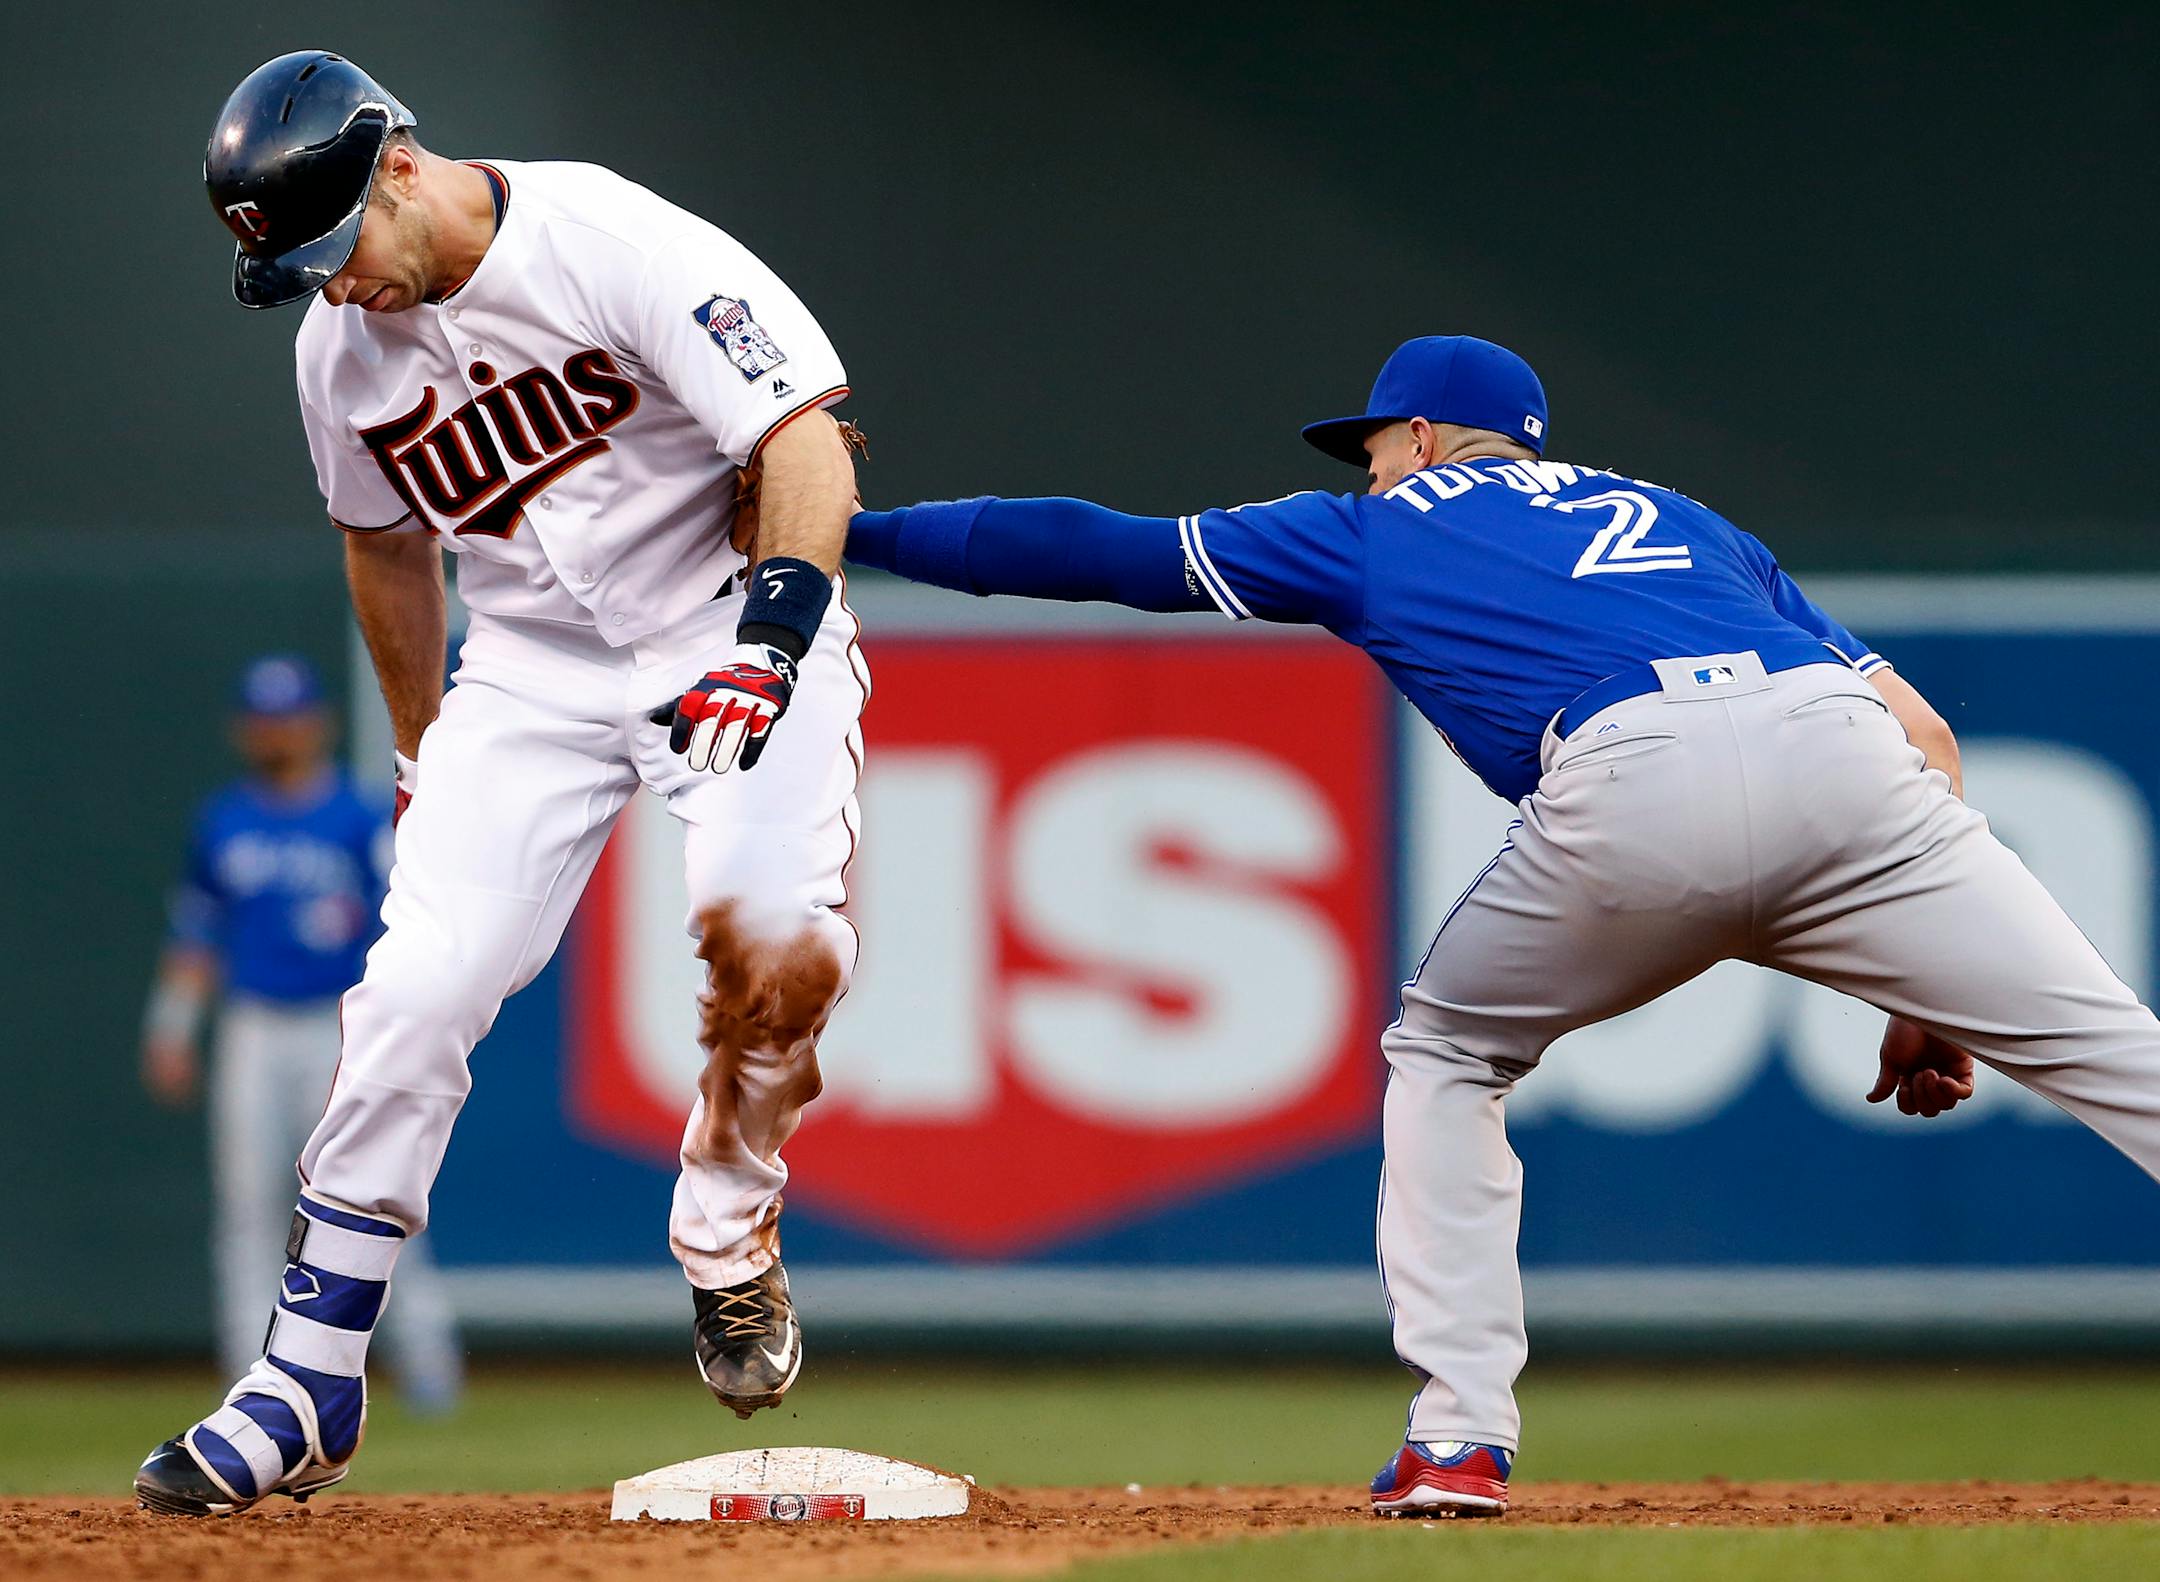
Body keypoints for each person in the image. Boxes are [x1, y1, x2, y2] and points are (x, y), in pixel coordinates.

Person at [846, 333, 2160, 1517]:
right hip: (1847, 759)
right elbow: (1924, 733)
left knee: (1447, 1057)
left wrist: (858, 533)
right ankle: (1455, 1435)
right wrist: (1919, 980)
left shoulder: (1380, 523)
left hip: (1633, 770)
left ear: (1416, 438)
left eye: (1369, 444)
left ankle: (1458, 1440)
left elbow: (1098, 550)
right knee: (2123, 1058)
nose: (1365, 469)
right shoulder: (1687, 520)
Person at [138, 51, 867, 1516]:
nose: (339, 288)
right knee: (414, 987)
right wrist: (421, 751)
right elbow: (385, 542)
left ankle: (727, 1239)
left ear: (396, 164)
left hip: (723, 620)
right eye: (307, 271)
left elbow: (802, 434)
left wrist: (777, 634)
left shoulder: (605, 239)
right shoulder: (337, 353)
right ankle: (303, 1379)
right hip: (527, 672)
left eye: (340, 250)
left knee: (777, 942)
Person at [142, 654, 463, 1411]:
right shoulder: (225, 820)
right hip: (253, 1027)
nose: (276, 732)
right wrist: (171, 1029)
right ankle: (248, 1384)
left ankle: (429, 1371)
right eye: (263, 718)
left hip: (337, 1027)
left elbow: (399, 927)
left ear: (317, 723)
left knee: (367, 1194)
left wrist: (381, 1037)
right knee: (249, 1209)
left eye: (287, 716)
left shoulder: (354, 818)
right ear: (244, 730)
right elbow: (195, 936)